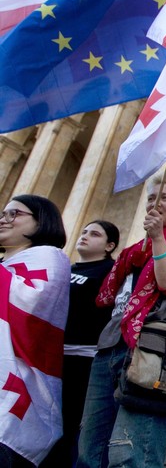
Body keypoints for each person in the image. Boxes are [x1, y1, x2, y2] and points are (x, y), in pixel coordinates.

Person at [77, 175, 166, 468]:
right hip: (110, 349)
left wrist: (159, 238)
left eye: (164, 197)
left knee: (133, 452)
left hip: (152, 351)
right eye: (151, 198)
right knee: (90, 451)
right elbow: (109, 300)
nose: (155, 202)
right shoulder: (131, 254)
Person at [0, 195, 70, 467]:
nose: (4, 219)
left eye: (14, 214)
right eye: (3, 213)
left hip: (16, 390)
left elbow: (30, 303)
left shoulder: (51, 257)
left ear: (41, 222)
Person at [44, 220, 120, 466]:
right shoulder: (64, 267)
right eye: (85, 231)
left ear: (109, 245)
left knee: (68, 424)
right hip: (51, 356)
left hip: (83, 360)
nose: (85, 236)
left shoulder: (110, 272)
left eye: (95, 234)